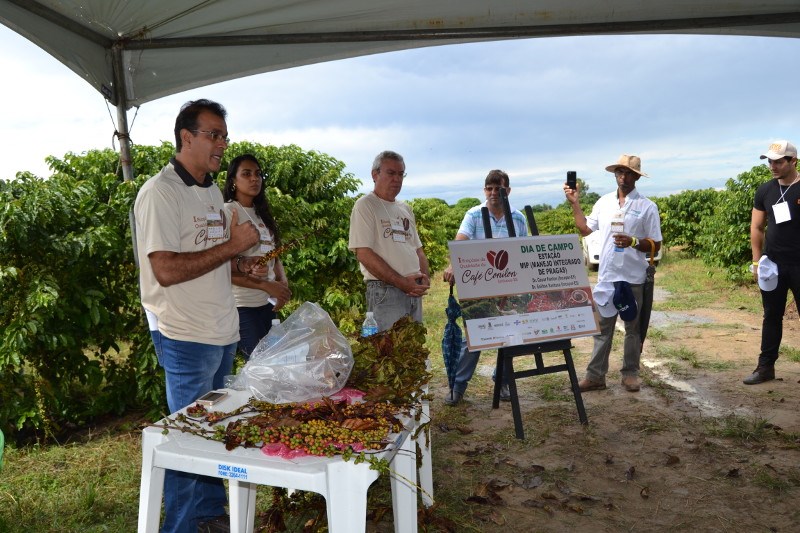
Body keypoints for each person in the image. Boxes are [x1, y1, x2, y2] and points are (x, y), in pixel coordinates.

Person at [134, 99, 262, 533]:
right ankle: (183, 526)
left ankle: (209, 518)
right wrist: (233, 247)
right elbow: (166, 269)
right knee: (188, 441)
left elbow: (209, 258)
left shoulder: (209, 191)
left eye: (224, 135)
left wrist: (243, 267)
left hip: (220, 329)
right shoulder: (160, 192)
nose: (222, 144)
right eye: (213, 134)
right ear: (186, 137)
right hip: (185, 334)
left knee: (213, 434)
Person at [563, 155, 662, 393]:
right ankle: (595, 376)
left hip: (633, 277)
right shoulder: (604, 202)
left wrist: (634, 241)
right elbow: (585, 228)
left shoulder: (647, 207)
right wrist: (575, 203)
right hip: (607, 277)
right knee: (602, 328)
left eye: (628, 173)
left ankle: (630, 374)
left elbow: (655, 244)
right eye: (619, 172)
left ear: (637, 176)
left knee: (633, 329)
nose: (623, 177)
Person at [442, 170, 528, 405]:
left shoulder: (518, 218)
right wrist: (453, 265)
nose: (492, 193)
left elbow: (523, 250)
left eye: (497, 189)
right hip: (479, 285)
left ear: (507, 191)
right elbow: (461, 241)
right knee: (475, 336)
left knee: (510, 334)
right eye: (488, 188)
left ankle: (502, 381)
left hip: (509, 286)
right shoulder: (474, 214)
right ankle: (458, 386)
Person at [348, 150, 430, 332]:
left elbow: (418, 249)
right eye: (391, 173)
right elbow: (364, 254)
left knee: (412, 352)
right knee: (388, 353)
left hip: (413, 292)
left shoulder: (405, 208)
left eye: (401, 174)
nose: (397, 179)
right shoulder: (366, 205)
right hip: (385, 291)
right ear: (375, 175)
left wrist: (424, 278)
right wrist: (401, 282)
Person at [223, 154, 292, 359]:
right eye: (246, 174)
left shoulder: (261, 213)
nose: (255, 179)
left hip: (267, 303)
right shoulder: (229, 211)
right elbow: (221, 265)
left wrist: (282, 283)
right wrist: (266, 285)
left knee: (276, 365)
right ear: (233, 181)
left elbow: (274, 254)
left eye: (258, 174)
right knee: (257, 367)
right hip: (242, 306)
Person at [744, 140, 800, 385]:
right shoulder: (765, 190)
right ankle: (765, 367)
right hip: (773, 266)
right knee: (771, 316)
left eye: (779, 161)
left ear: (793, 162)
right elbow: (757, 227)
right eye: (770, 161)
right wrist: (757, 262)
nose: (773, 166)